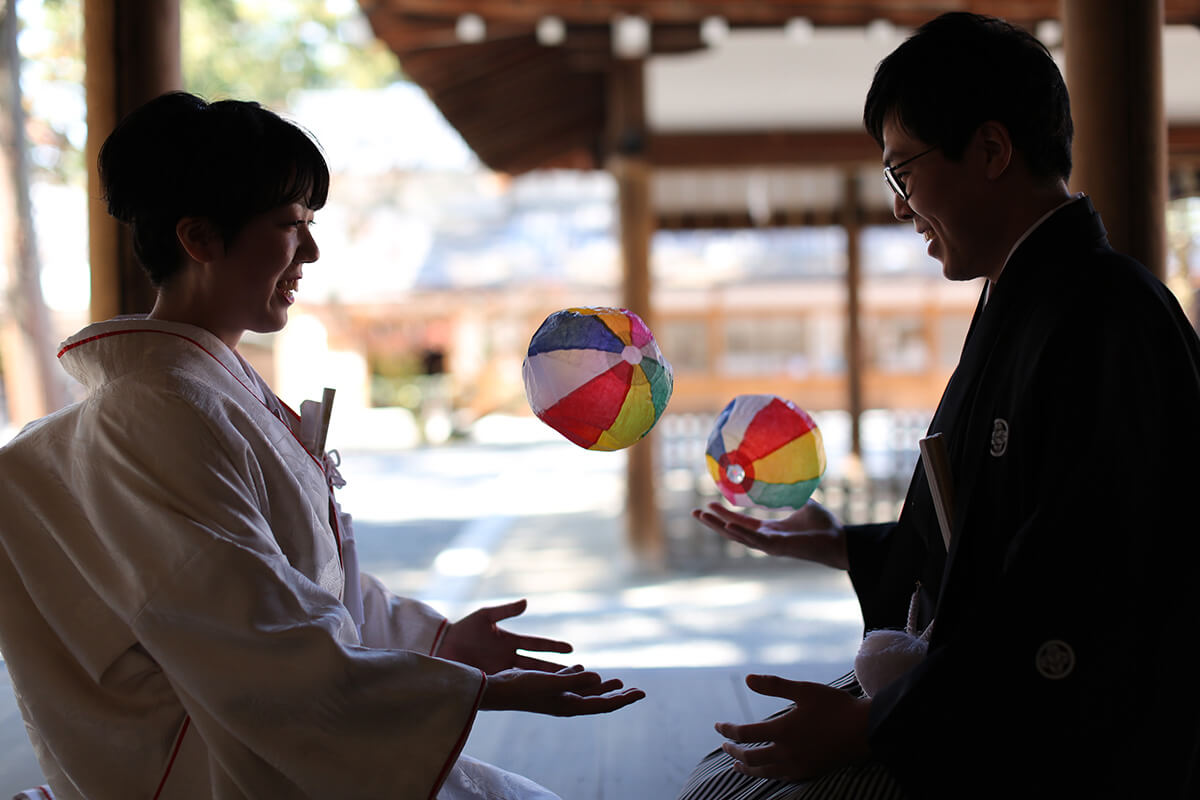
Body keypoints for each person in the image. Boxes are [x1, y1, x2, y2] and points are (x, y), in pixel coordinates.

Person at [0, 91, 643, 800]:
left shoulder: (203, 390)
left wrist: (438, 641)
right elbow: (259, 640)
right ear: (200, 238)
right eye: (289, 224)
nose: (309, 249)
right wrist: (476, 691)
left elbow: (300, 587)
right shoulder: (163, 409)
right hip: (228, 762)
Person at [678, 12, 1200, 800]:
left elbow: (1077, 590)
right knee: (720, 780)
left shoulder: (1109, 317)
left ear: (991, 150)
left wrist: (870, 726)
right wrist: (841, 546)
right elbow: (984, 535)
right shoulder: (1023, 300)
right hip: (982, 707)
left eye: (904, 173)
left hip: (1065, 749)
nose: (899, 206)